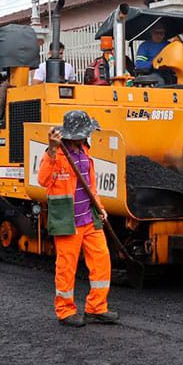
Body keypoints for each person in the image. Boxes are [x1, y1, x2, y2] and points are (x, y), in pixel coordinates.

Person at [37, 110, 119, 327]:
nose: (86, 137)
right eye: (84, 133)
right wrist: (52, 151)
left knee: (102, 261)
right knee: (66, 267)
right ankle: (65, 311)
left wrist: (100, 208)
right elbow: (43, 180)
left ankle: (96, 308)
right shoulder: (56, 155)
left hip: (90, 219)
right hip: (67, 220)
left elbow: (90, 187)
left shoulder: (84, 151)